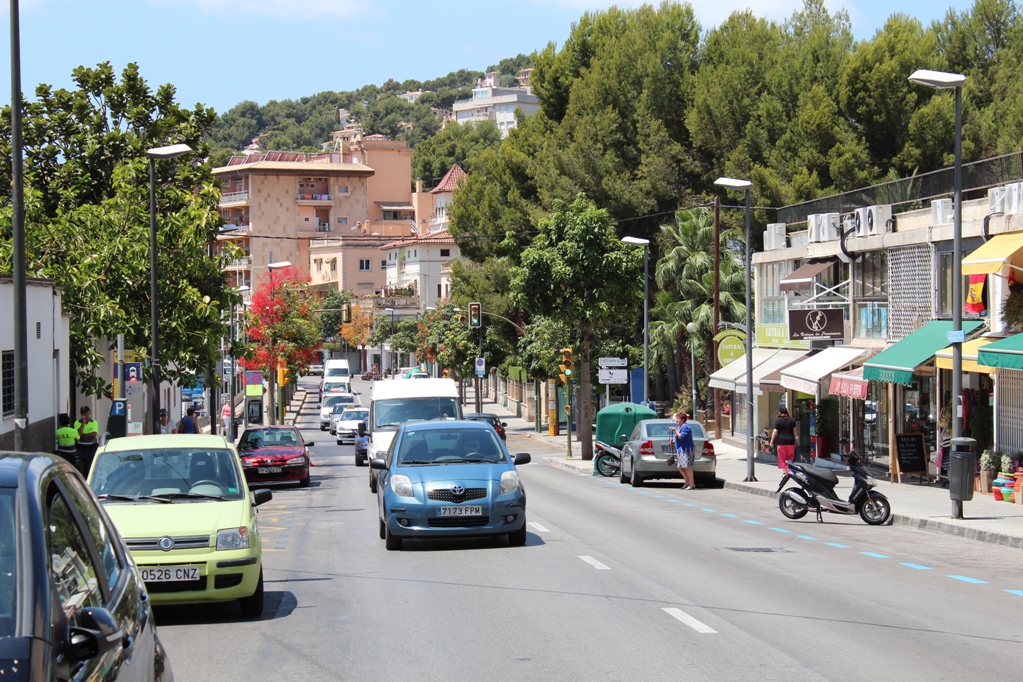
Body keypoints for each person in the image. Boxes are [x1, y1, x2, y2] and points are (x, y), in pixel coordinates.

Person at [671, 411, 696, 490]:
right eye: (676, 418)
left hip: (686, 450)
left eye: (678, 418)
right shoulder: (680, 427)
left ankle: (692, 484)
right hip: (680, 450)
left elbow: (682, 437)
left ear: (683, 419)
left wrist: (675, 430)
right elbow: (679, 438)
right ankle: (687, 482)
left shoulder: (686, 427)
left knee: (687, 466)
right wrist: (673, 442)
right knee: (680, 467)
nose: (676, 420)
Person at [770, 406, 799, 473]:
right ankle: (789, 472)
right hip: (790, 442)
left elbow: (775, 431)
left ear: (780, 413)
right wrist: (797, 440)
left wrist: (772, 441)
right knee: (790, 458)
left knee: (782, 459)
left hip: (781, 442)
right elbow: (795, 431)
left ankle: (785, 473)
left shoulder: (778, 420)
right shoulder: (792, 420)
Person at [74, 405, 99, 476]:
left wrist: (82, 435)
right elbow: (78, 434)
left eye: (86, 412)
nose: (84, 414)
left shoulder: (94, 422)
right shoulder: (77, 423)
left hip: (90, 449)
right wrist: (83, 424)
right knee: (80, 468)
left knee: (89, 468)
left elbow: (94, 434)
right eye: (82, 413)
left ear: (89, 413)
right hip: (80, 449)